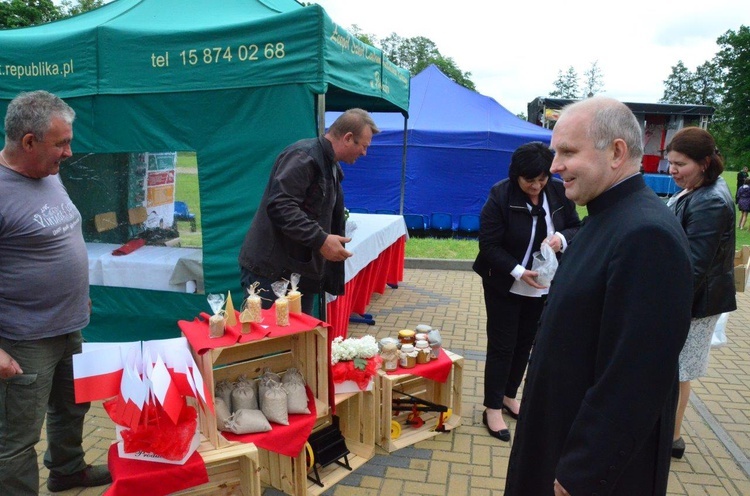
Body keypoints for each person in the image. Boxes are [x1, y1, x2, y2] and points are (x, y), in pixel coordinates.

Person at [504, 97, 693, 496]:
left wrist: (581, 473)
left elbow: (636, 376)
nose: (554, 166)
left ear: (616, 152)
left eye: (568, 152)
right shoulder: (607, 216)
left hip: (585, 471)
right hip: (560, 437)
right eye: (556, 152)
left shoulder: (646, 234)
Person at [0, 91, 111, 494]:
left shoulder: (47, 172)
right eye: (61, 142)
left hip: (69, 324)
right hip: (23, 338)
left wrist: (74, 294)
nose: (68, 152)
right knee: (16, 439)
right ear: (28, 142)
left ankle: (67, 471)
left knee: (72, 407)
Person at [472, 141, 580, 442]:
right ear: (516, 174)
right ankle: (491, 407)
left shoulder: (557, 192)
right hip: (505, 282)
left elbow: (577, 226)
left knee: (526, 344)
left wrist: (560, 237)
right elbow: (489, 245)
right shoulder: (501, 194)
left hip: (543, 284)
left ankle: (509, 396)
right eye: (529, 180)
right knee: (503, 344)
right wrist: (519, 272)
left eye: (542, 178)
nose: (536, 186)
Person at [238, 109, 379, 315]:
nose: (365, 153)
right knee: (265, 341)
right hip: (270, 272)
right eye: (364, 146)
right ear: (348, 138)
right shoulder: (304, 157)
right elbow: (281, 205)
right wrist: (320, 239)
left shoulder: (330, 165)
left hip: (297, 273)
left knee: (298, 341)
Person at [666, 127, 737, 459]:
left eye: (680, 164)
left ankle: (672, 438)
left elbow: (694, 266)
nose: (672, 171)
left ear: (705, 162)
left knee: (678, 371)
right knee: (675, 369)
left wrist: (662, 303)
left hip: (695, 303)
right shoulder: (698, 189)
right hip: (688, 298)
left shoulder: (710, 201)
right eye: (670, 163)